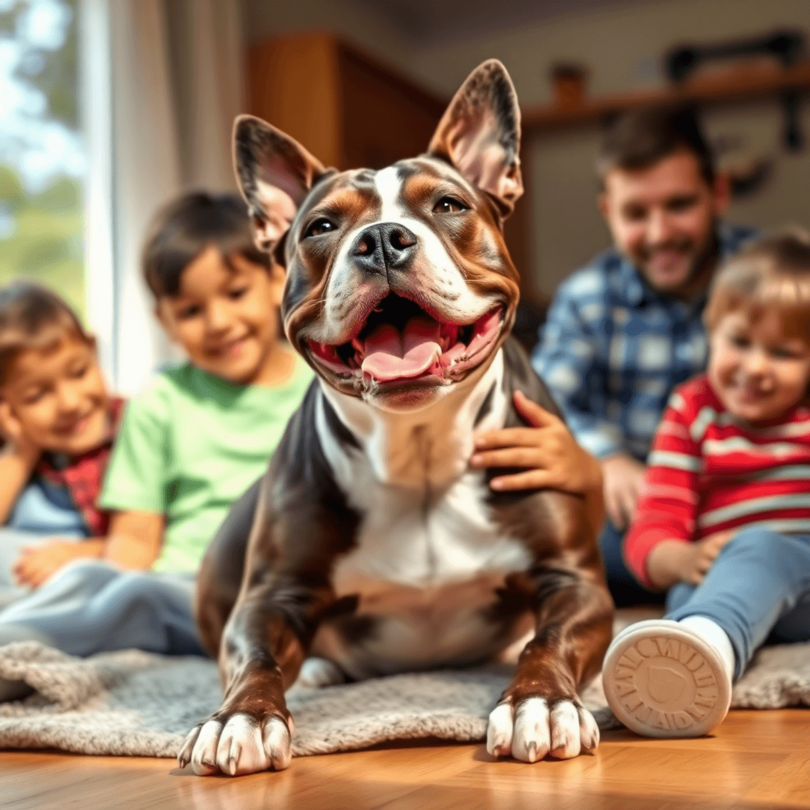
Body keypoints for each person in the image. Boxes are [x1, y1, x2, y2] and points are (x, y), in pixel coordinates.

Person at [0, 192, 314, 694]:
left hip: (305, 591)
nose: (218, 322)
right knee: (111, 588)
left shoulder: (327, 383)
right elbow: (134, 542)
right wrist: (91, 571)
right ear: (165, 320)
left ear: (279, 280)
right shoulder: (159, 401)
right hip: (195, 593)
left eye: (235, 293)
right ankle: (11, 654)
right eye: (191, 310)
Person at [532, 104, 757, 607]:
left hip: (752, 495)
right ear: (609, 212)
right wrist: (607, 458)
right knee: (563, 545)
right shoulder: (586, 296)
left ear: (717, 194)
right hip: (636, 512)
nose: (658, 234)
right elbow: (543, 397)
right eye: (636, 213)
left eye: (679, 205)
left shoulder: (771, 276)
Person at [602, 231, 810, 738]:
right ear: (711, 333)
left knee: (760, 548)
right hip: (716, 577)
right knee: (687, 588)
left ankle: (708, 645)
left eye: (783, 353)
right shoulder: (692, 410)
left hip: (801, 579)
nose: (755, 367)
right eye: (739, 342)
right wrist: (680, 557)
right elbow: (653, 528)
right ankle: (688, 655)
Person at [0, 281, 124, 604]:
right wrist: (22, 450)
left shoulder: (135, 427)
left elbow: (149, 540)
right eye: (37, 395)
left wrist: (81, 553)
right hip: (27, 573)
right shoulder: (17, 451)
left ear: (94, 351)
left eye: (79, 372)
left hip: (98, 569)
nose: (69, 402)